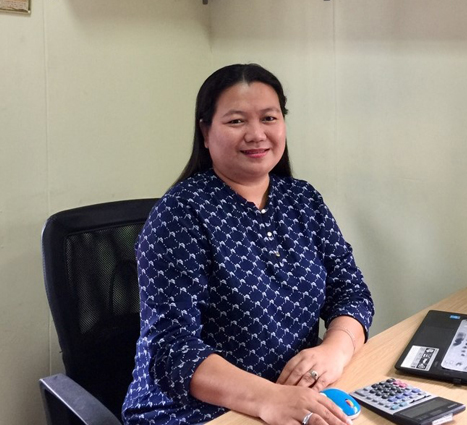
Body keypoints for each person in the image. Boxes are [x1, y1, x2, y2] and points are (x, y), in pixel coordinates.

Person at [122, 63, 375, 425]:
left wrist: (334, 351)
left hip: (293, 399)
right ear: (205, 132)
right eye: (237, 121)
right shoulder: (180, 214)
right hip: (194, 412)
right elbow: (171, 348)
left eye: (269, 118)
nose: (257, 134)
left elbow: (351, 293)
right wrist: (270, 398)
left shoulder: (303, 200)